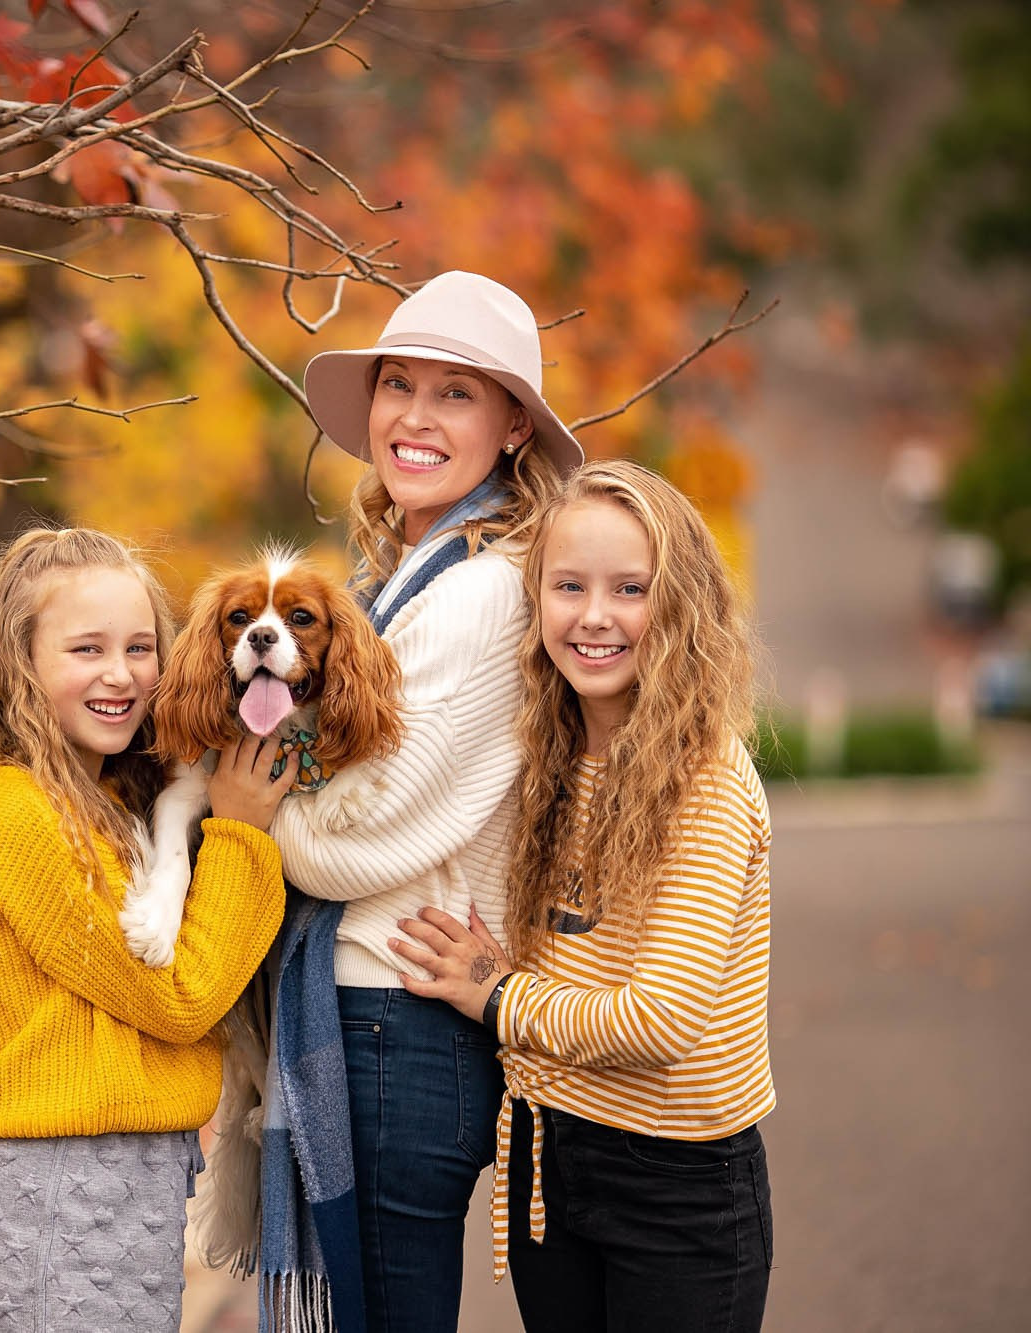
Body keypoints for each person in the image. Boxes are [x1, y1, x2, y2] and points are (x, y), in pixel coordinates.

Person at [195, 270, 585, 1333]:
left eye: (455, 394)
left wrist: (244, 811)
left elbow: (348, 842)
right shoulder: (406, 574)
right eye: (397, 384)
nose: (414, 416)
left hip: (390, 1020)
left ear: (512, 426)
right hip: (370, 1017)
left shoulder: (478, 589)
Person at [392, 460, 775, 1332]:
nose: (594, 615)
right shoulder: (547, 761)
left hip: (679, 1190)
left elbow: (659, 1022)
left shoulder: (705, 780)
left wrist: (498, 997)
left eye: (630, 588)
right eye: (569, 586)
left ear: (680, 606)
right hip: (548, 1161)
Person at [0, 525, 294, 1333]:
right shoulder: (19, 809)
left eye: (139, 647)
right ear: (17, 665)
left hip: (132, 1186)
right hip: (51, 1197)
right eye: (86, 649)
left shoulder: (118, 805)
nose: (121, 674)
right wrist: (242, 833)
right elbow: (181, 997)